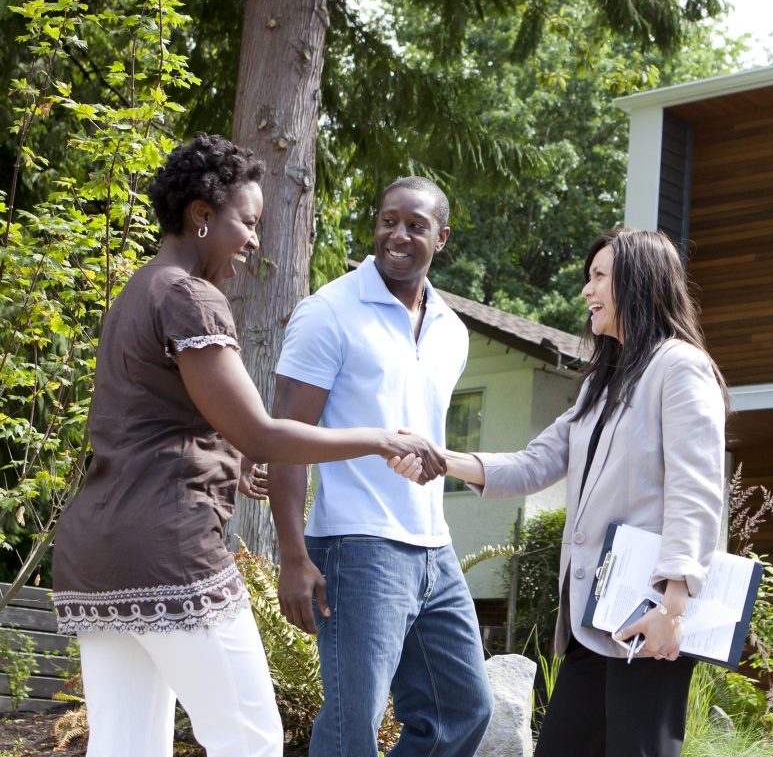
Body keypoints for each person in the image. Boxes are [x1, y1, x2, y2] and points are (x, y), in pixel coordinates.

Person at [50, 133, 446, 757]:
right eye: (248, 221)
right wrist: (378, 438)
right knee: (252, 740)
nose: (256, 240)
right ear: (201, 215)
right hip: (168, 550)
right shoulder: (190, 297)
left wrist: (228, 457)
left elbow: (152, 418)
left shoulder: (139, 290)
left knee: (125, 746)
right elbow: (261, 431)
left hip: (97, 555)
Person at [396, 228, 728, 757]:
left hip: (648, 617)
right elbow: (534, 463)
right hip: (592, 620)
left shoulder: (680, 367)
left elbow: (696, 488)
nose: (585, 291)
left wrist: (673, 608)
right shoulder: (605, 382)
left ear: (637, 283)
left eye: (598, 276)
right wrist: (440, 459)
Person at [269, 176, 492, 757]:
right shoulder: (329, 312)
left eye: (415, 226)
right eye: (388, 220)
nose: (397, 234)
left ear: (440, 238)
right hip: (354, 543)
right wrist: (293, 556)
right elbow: (285, 440)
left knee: (463, 708)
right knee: (353, 725)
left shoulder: (454, 331)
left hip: (432, 547)